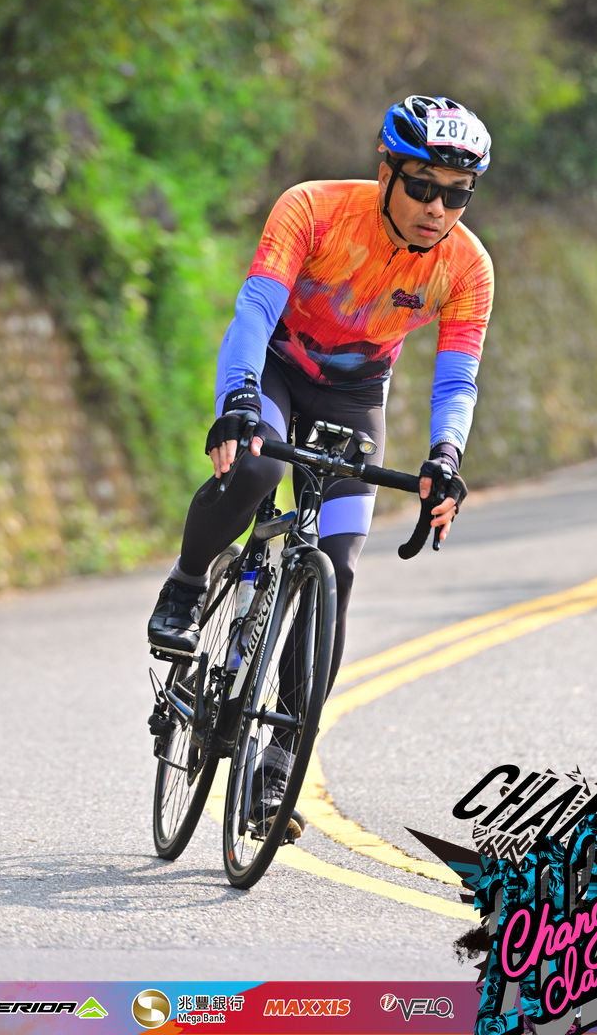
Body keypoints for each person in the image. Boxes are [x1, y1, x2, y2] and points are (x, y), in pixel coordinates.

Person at [147, 94, 494, 829]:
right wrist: (239, 401)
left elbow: (456, 379)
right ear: (386, 172)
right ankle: (187, 581)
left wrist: (445, 454)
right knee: (256, 471)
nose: (437, 208)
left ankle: (277, 767)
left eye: (457, 193)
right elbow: (254, 310)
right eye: (422, 186)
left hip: (356, 393)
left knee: (337, 569)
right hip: (277, 367)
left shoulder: (467, 266)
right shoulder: (313, 208)